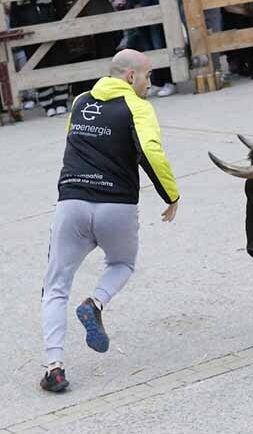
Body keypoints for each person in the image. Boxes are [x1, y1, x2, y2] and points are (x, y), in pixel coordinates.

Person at [40, 49, 181, 394]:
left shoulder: (79, 102)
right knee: (121, 263)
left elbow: (73, 144)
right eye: (148, 76)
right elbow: (150, 151)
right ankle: (95, 302)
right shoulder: (138, 107)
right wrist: (171, 196)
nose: (150, 83)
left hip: (72, 202)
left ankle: (54, 367)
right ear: (131, 77)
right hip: (115, 206)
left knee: (56, 285)